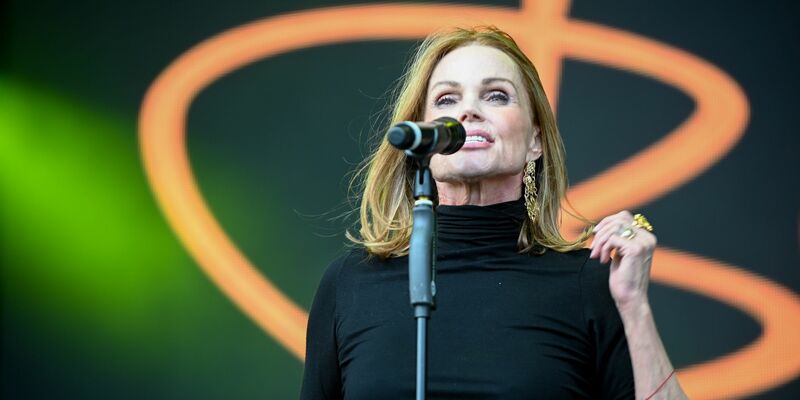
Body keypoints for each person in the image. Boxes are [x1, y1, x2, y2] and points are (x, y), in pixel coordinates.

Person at [300, 26, 688, 400]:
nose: (468, 110)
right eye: (447, 99)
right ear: (422, 138)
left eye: (497, 96)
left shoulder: (588, 284)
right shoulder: (350, 284)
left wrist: (634, 307)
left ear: (535, 140)